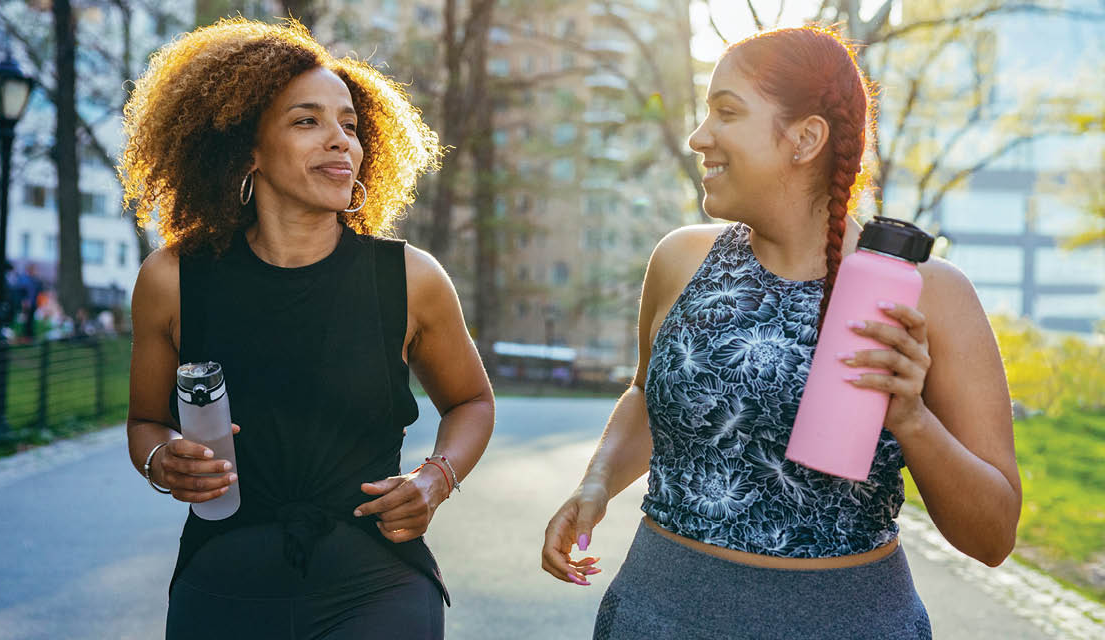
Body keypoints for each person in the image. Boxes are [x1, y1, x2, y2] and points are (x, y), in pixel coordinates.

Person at [541, 26, 1021, 639]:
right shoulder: (681, 259)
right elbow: (645, 394)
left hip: (849, 624)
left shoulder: (929, 291)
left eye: (727, 112)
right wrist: (597, 481)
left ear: (806, 138)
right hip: (658, 614)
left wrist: (911, 420)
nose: (698, 137)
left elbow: (993, 536)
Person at [121, 18, 494, 639]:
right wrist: (161, 459)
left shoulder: (411, 278)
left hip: (377, 584)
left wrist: (437, 478)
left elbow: (472, 401)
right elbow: (143, 422)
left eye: (349, 125)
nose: (340, 141)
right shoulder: (172, 279)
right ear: (248, 150)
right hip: (221, 580)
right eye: (307, 121)